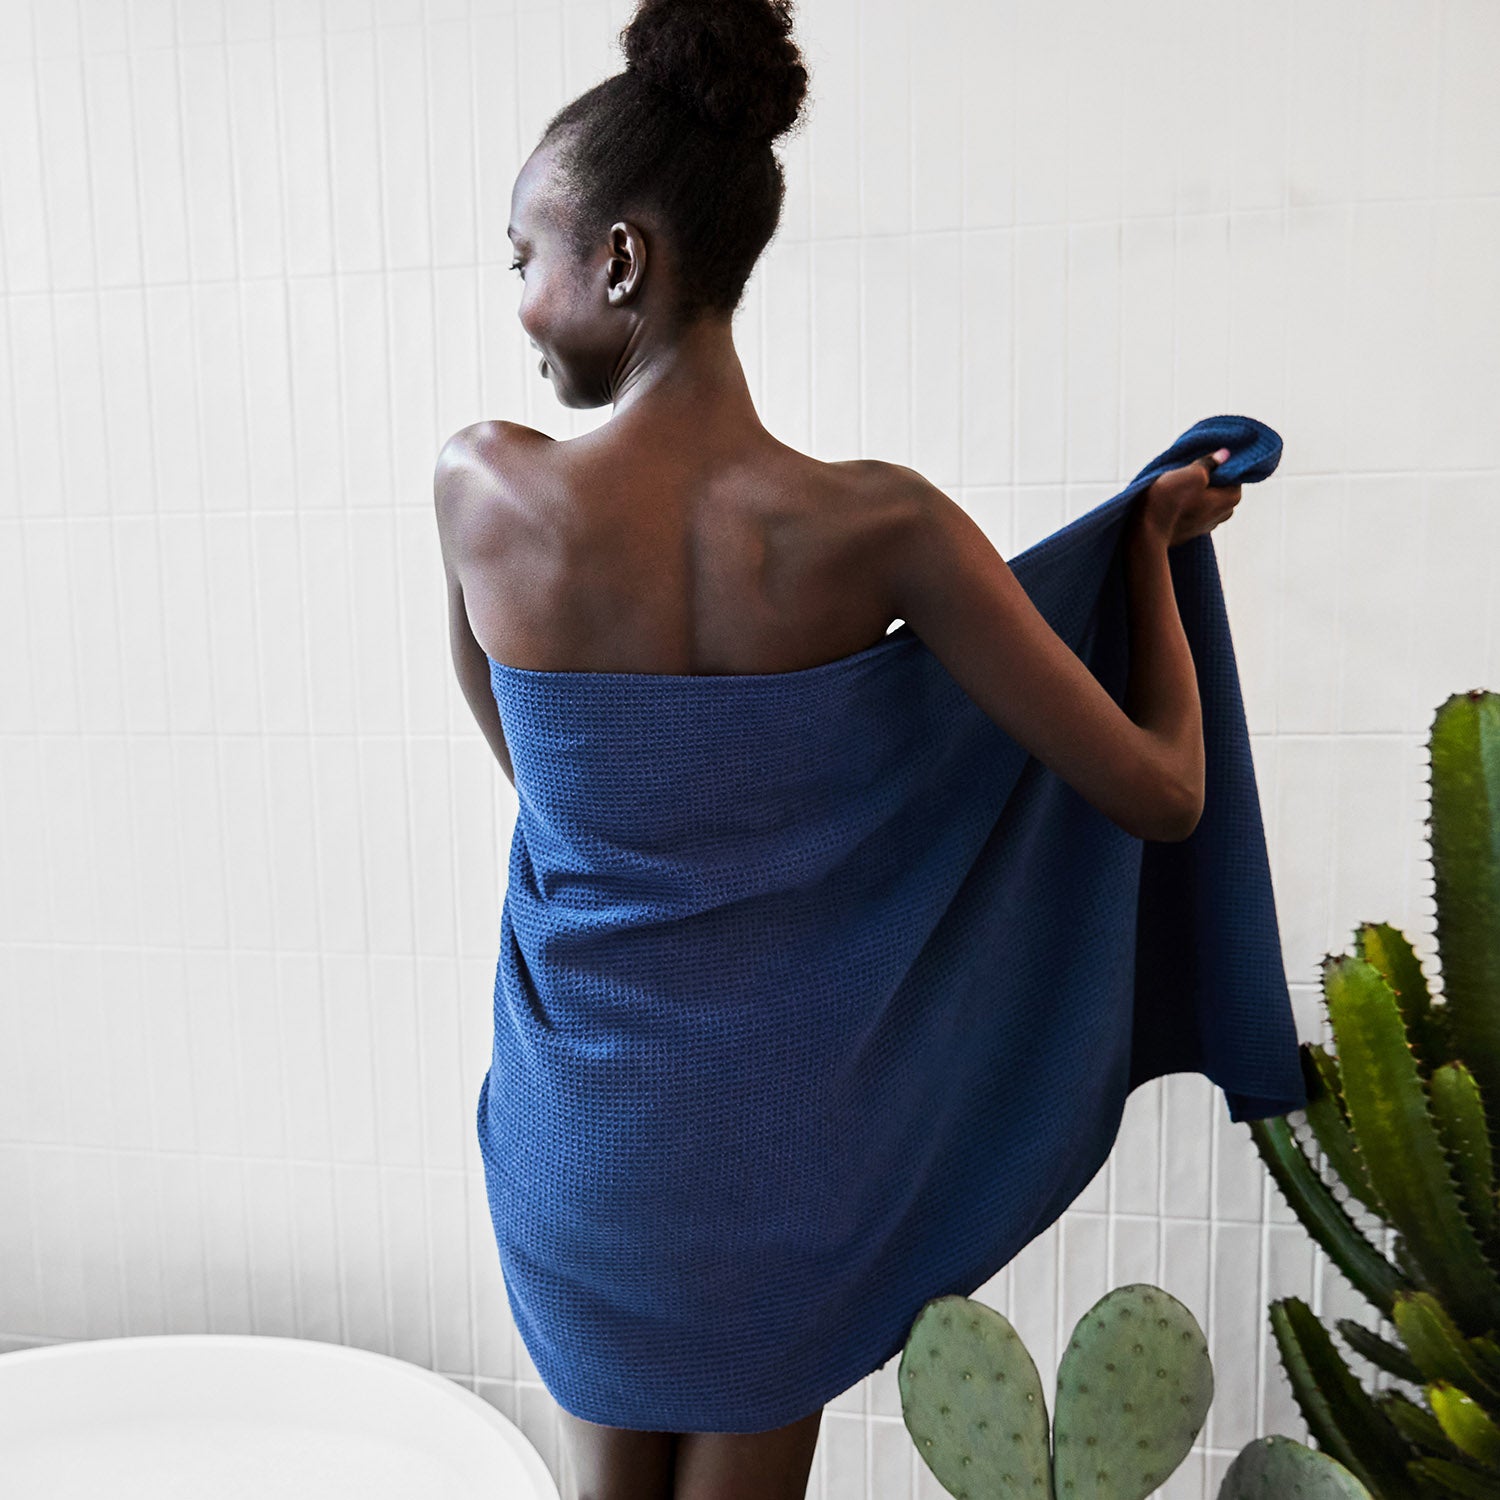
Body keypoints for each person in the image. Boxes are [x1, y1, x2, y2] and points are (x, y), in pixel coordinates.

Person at [433, 2, 1242, 1496]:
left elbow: (547, 779)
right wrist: (1148, 555)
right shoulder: (884, 527)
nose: (520, 305)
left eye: (522, 258)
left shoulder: (483, 490)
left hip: (585, 1145)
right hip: (783, 1150)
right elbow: (1164, 792)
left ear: (621, 260)